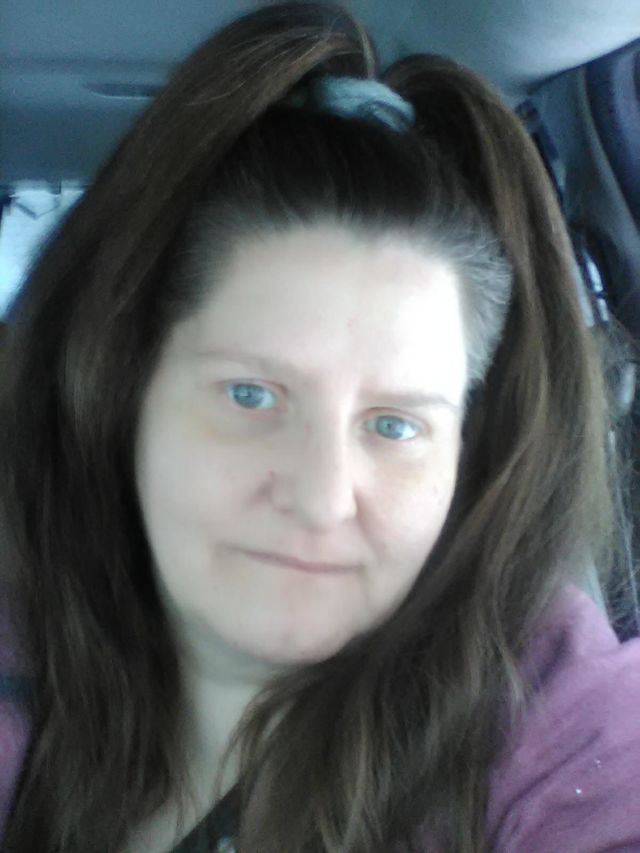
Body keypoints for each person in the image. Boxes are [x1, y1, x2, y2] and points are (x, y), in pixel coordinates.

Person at [1, 3, 639, 851]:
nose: (322, 498)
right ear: (126, 389)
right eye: (250, 395)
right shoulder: (27, 634)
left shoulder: (542, 709)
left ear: (463, 449)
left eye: (395, 424)